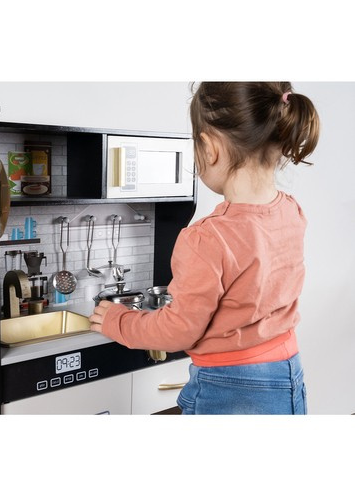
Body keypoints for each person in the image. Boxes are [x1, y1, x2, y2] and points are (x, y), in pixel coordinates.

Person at [90, 82, 320, 414]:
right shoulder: (291, 211)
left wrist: (119, 321)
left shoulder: (207, 237)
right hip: (287, 375)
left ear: (209, 148)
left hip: (230, 386)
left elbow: (177, 331)